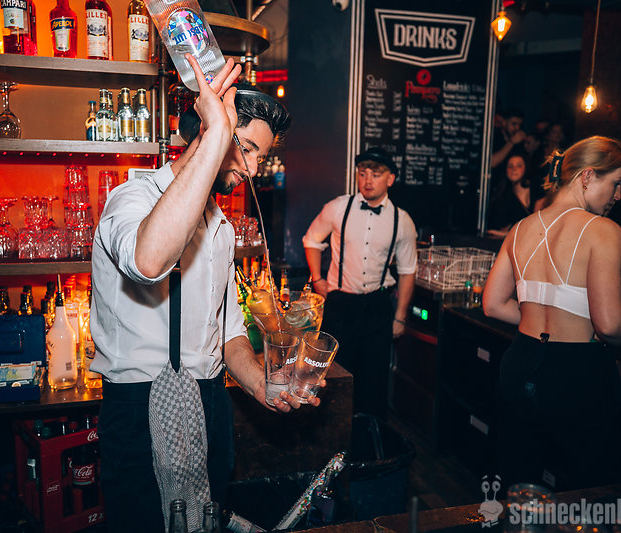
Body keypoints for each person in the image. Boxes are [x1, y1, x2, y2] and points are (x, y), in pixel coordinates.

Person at [89, 55, 316, 531]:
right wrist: (216, 134)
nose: (253, 168)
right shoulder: (131, 199)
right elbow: (149, 262)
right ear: (209, 132)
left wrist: (262, 386)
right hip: (139, 408)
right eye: (247, 148)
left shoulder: (220, 227)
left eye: (260, 157)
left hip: (210, 403)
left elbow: (228, 333)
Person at [482, 136, 621, 490]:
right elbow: (609, 324)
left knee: (519, 486)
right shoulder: (602, 230)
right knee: (588, 491)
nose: (618, 195)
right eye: (617, 183)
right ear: (588, 176)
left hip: (520, 363)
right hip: (576, 373)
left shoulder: (520, 228)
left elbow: (492, 304)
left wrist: (535, 318)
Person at [302, 147, 417, 420]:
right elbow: (311, 240)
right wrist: (317, 279)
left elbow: (408, 270)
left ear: (390, 179)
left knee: (374, 382)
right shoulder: (338, 207)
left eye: (375, 174)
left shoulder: (402, 221)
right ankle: (334, 437)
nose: (367, 180)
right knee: (334, 378)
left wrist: (400, 317)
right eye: (363, 173)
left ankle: (369, 440)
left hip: (377, 306)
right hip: (341, 305)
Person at [487, 152, 534, 239]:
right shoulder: (504, 197)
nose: (514, 169)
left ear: (526, 168)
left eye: (519, 166)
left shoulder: (536, 191)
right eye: (510, 166)